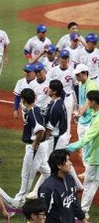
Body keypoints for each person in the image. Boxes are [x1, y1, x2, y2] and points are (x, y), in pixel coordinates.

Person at [11, 88, 50, 208]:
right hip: (41, 146)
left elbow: (40, 130)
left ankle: (17, 204)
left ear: (23, 100)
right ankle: (47, 191)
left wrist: (34, 145)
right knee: (47, 172)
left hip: (35, 148)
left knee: (27, 176)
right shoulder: (35, 109)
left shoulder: (32, 112)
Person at [66, 90, 99, 221]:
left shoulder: (98, 120)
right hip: (95, 155)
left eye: (88, 101)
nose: (87, 103)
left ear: (94, 102)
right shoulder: (95, 114)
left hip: (97, 158)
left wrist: (69, 147)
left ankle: (83, 211)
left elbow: (87, 139)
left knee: (91, 183)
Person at [38, 149, 88, 223]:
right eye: (67, 161)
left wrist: (84, 220)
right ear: (59, 165)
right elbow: (42, 214)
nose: (70, 163)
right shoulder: (47, 188)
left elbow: (74, 203)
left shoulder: (70, 179)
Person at [47, 49, 77, 146]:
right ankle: (52, 137)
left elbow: (76, 86)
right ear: (59, 58)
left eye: (65, 58)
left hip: (68, 98)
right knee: (52, 117)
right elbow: (48, 85)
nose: (64, 60)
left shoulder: (72, 71)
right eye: (62, 58)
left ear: (68, 59)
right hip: (55, 98)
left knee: (66, 119)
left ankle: (65, 141)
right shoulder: (53, 70)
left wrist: (78, 102)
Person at [73, 64, 98, 179]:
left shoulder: (91, 85)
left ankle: (90, 171)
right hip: (83, 120)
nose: (76, 76)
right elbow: (81, 101)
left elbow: (88, 103)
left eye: (78, 74)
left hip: (89, 121)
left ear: (85, 73)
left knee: (88, 146)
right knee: (84, 146)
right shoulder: (80, 84)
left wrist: (79, 114)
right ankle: (87, 169)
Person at [44, 79, 67, 154]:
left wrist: (45, 139)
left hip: (55, 138)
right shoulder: (58, 101)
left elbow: (50, 126)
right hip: (59, 136)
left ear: (54, 91)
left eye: (49, 88)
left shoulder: (55, 106)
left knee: (49, 162)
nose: (48, 89)